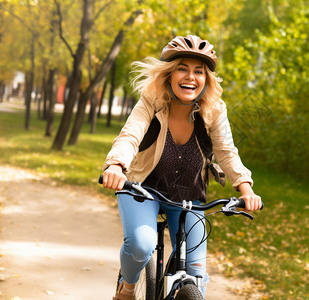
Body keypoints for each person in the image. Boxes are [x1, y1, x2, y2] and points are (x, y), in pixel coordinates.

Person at [102, 34, 261, 300]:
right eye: (182, 69)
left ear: (206, 79)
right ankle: (127, 289)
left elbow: (226, 152)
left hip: (188, 197)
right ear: (168, 74)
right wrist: (116, 166)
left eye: (198, 71)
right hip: (141, 190)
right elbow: (130, 135)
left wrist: (246, 189)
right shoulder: (150, 102)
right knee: (141, 246)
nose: (191, 77)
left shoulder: (214, 110)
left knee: (196, 274)